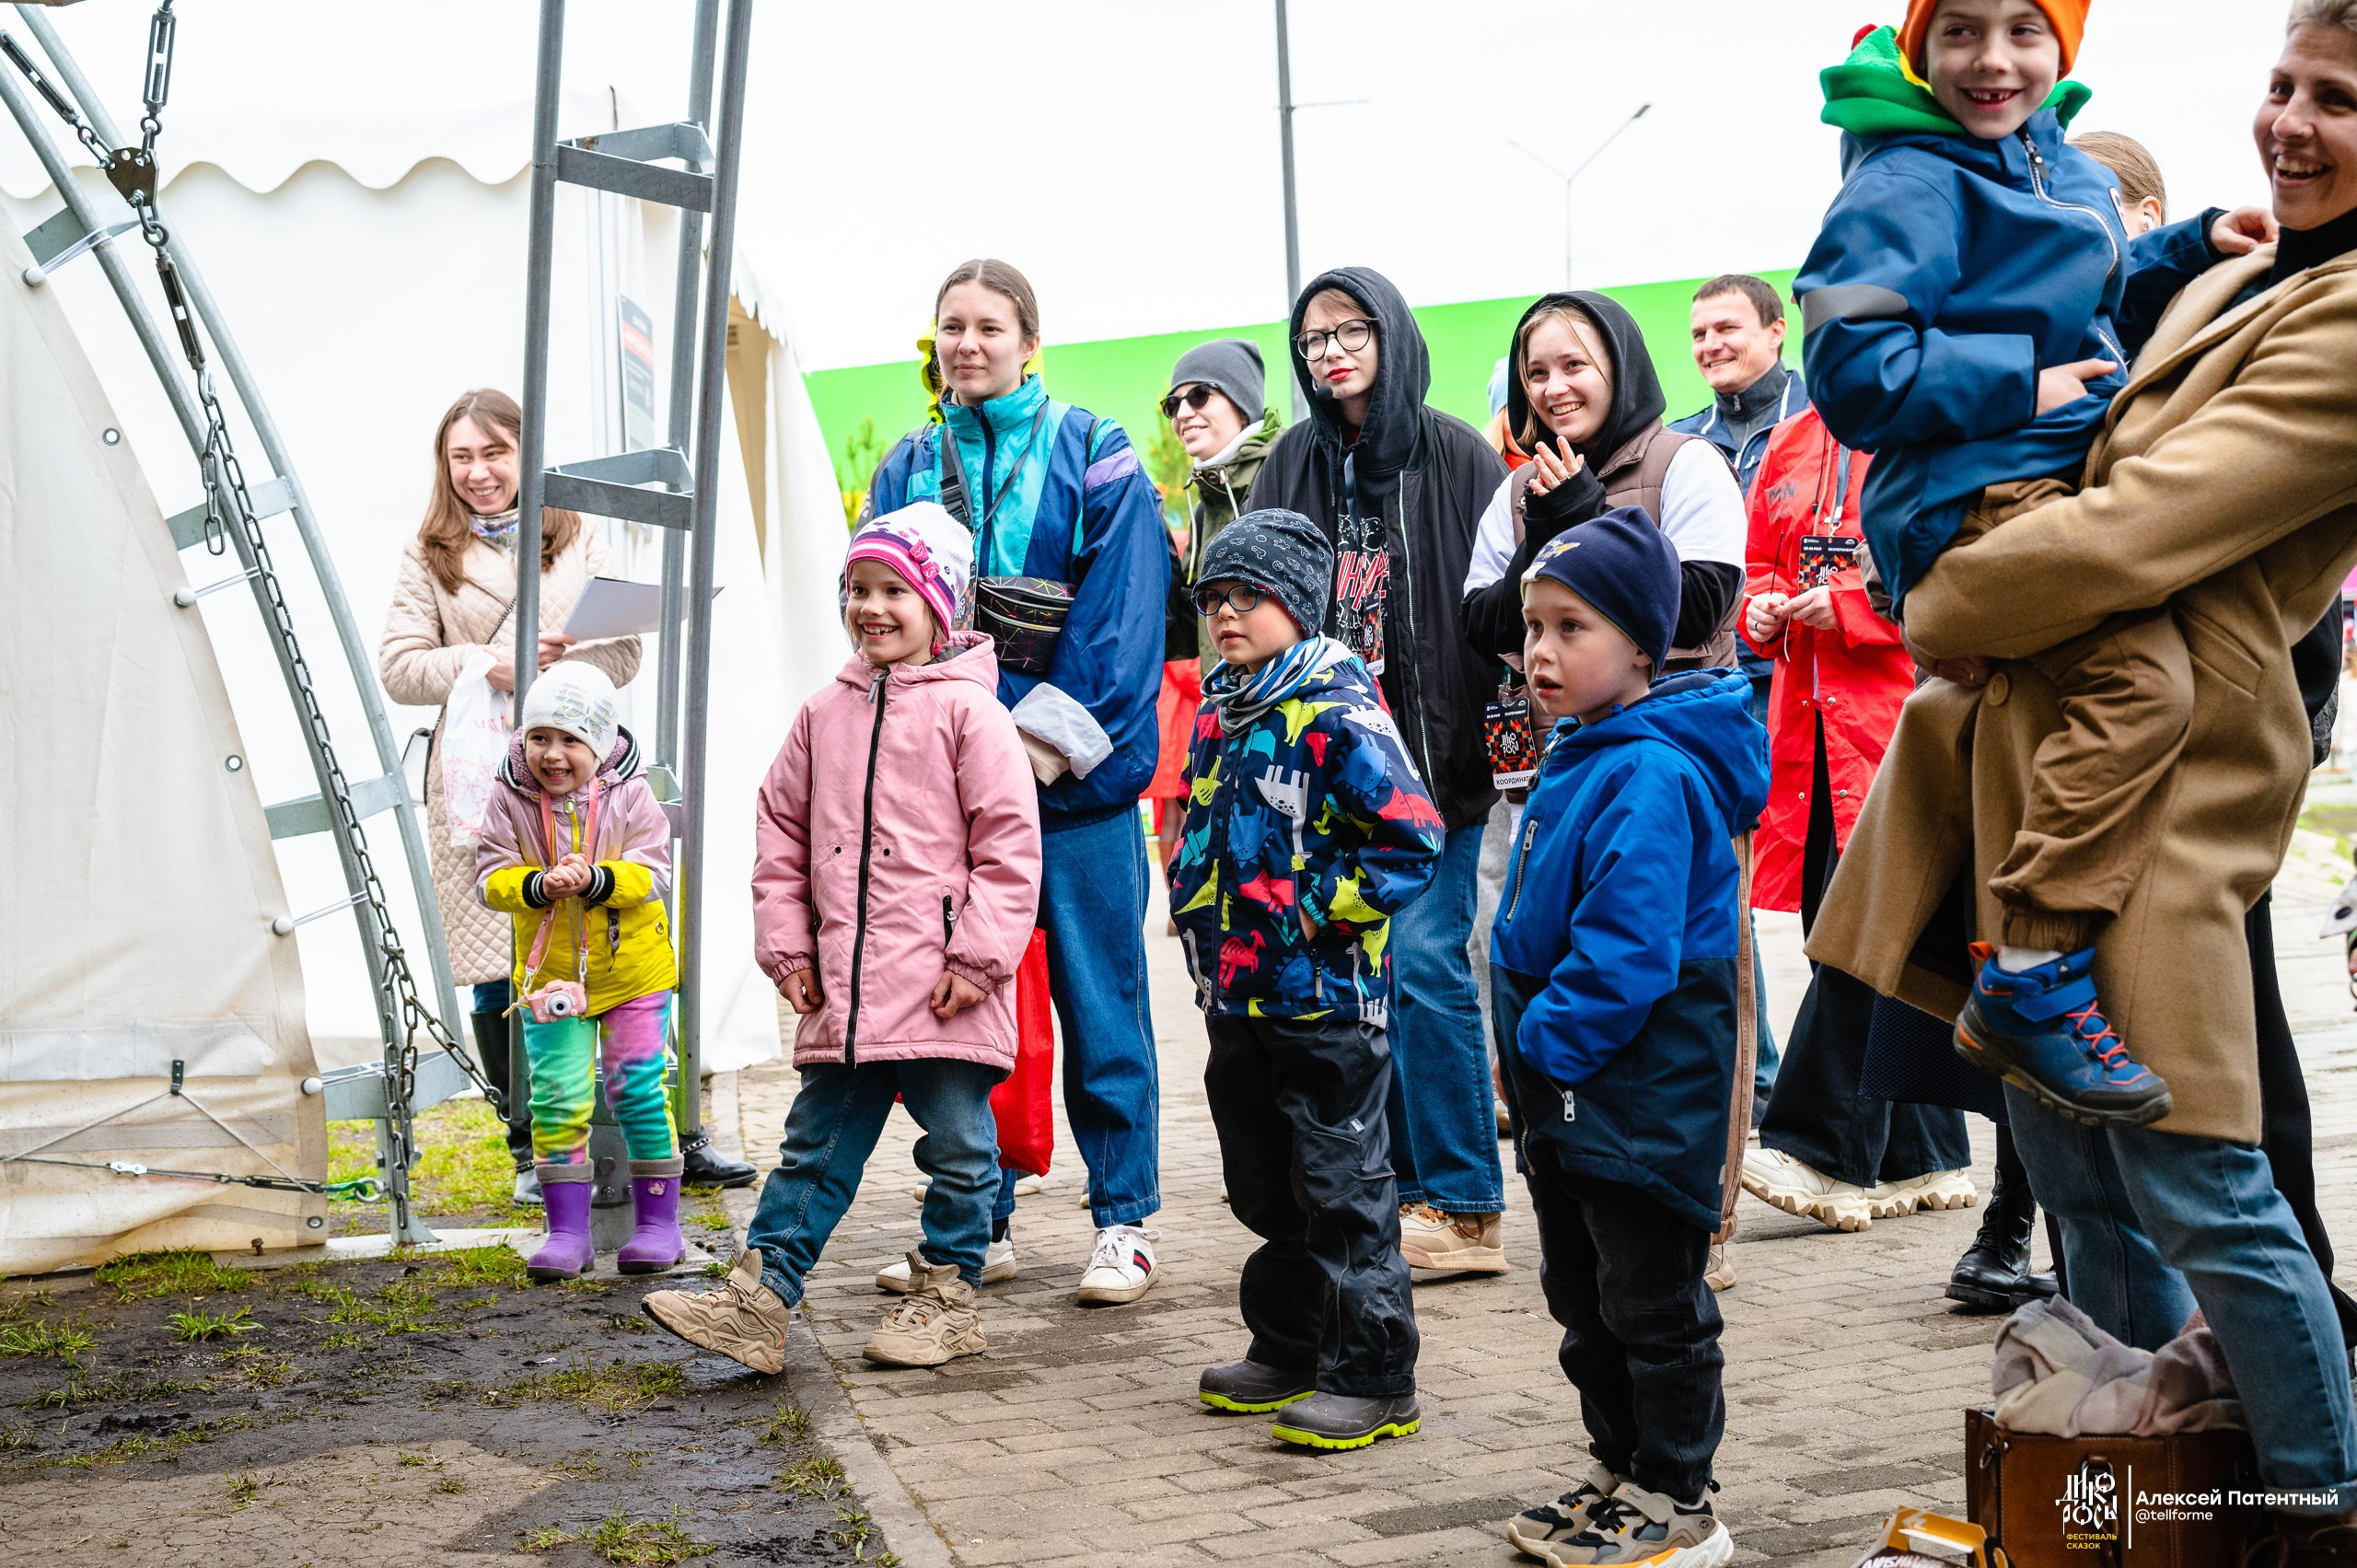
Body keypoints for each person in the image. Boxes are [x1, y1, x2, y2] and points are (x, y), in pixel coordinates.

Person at [1812, 4, 2357, 1548]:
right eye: (2282, 85)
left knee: (2210, 1188)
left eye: (2338, 102)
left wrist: (1938, 605)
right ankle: (2154, 1505)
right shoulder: (2256, 269)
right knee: (2074, 1170)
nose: (2292, 123)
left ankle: (2320, 1511)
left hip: (2172, 785)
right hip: (2051, 759)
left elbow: (2135, 529)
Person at [1796, 1, 2267, 1127]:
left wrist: (2193, 245)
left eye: (2023, 29)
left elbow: (2081, 302)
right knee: (2140, 683)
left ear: (2063, 45)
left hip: (2047, 479)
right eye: (1959, 30)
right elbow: (1848, 361)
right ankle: (2026, 969)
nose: (1992, 59)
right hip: (1968, 499)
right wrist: (2019, 379)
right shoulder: (1901, 180)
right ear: (1918, 45)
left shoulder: (2046, 156)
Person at [642, 505, 1040, 1372]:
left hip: (942, 982)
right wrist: (788, 950)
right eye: (858, 589)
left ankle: (948, 1293)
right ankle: (762, 1298)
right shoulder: (825, 712)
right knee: (812, 1149)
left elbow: (1008, 850)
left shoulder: (975, 717)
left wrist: (977, 956)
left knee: (961, 1145)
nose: (872, 606)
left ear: (939, 601)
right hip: (847, 990)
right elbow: (779, 829)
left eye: (894, 588)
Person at [862, 260, 1170, 1304]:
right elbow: (879, 618)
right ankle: (970, 1222)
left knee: (1102, 1005)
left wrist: (1028, 749)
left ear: (1030, 341)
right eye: (950, 326)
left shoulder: (1098, 453)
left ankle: (1123, 1220)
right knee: (957, 1009)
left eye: (990, 326)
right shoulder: (906, 465)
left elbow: (1123, 622)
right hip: (946, 802)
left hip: (1074, 790)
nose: (967, 343)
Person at [1491, 511, 1766, 1568]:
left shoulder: (1648, 770)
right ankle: (1621, 1463)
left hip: (1634, 1081)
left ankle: (1681, 1495)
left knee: (1652, 1298)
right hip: (1569, 1082)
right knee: (1583, 1293)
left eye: (1572, 627)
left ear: (1644, 647)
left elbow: (1627, 952)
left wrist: (1546, 1041)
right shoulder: (1581, 750)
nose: (1541, 653)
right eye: (1532, 627)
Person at [1248, 268, 1514, 1276]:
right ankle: (1401, 1192)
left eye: (1349, 330)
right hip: (1328, 776)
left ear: (1390, 334)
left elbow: (1501, 601)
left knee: (1429, 962)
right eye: (1312, 338)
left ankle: (1464, 1200)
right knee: (1361, 976)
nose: (1330, 351)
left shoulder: (1456, 454)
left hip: (1435, 763)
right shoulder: (1291, 461)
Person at [1173, 508, 1443, 1452]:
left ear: (1296, 601)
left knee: (1341, 1183)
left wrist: (1308, 907)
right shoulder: (1222, 703)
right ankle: (1288, 1343)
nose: (1228, 614)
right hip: (1236, 994)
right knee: (1265, 1181)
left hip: (1324, 999)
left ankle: (1374, 1375)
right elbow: (1199, 818)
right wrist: (1189, 899)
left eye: (1249, 596)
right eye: (1214, 598)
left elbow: (1412, 837)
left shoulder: (1335, 705)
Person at [378, 389, 670, 1206]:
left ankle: (613, 1129)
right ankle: (523, 1141)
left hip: (581, 777)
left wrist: (565, 670)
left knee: (598, 935)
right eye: (461, 457)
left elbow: (626, 655)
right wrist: (488, 663)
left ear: (525, 453)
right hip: (480, 782)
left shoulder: (575, 533)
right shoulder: (427, 551)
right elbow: (400, 668)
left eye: (494, 453)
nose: (478, 472)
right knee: (499, 956)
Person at [473, 662, 681, 1280]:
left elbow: (653, 870)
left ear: (598, 742)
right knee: (558, 1096)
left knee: (638, 1092)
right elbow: (489, 877)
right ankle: (566, 1231)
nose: (553, 754)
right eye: (540, 737)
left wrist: (599, 879)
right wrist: (536, 885)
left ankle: (659, 1226)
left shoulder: (630, 790)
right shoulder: (508, 793)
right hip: (550, 977)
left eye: (570, 740)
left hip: (633, 974)